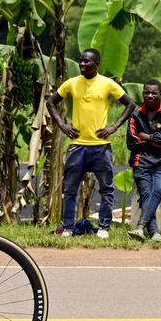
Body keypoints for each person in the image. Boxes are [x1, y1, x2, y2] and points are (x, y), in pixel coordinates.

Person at [47, 48, 136, 239]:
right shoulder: (71, 83)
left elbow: (130, 104)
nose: (82, 64)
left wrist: (113, 127)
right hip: (77, 145)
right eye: (81, 61)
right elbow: (50, 102)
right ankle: (68, 227)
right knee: (70, 189)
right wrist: (62, 125)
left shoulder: (107, 84)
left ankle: (104, 227)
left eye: (87, 62)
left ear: (96, 64)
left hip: (101, 147)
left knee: (107, 189)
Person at [126, 79, 161, 242]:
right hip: (141, 163)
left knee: (158, 189)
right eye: (146, 92)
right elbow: (132, 143)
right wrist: (158, 140)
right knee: (147, 194)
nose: (150, 95)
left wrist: (147, 137)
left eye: (153, 93)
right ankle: (154, 232)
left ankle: (141, 227)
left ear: (160, 95)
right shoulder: (135, 115)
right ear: (142, 94)